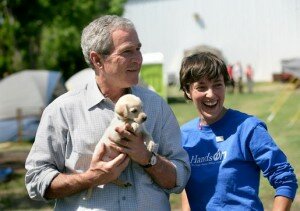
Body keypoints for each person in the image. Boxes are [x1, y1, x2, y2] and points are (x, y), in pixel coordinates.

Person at [25, 15, 190, 210]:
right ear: (97, 60)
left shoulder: (156, 106)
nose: (138, 59)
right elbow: (36, 181)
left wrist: (148, 158)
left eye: (138, 49)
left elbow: (179, 178)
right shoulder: (62, 110)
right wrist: (91, 178)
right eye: (127, 51)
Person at [179, 52, 298, 210]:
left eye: (217, 84)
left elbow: (285, 179)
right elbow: (185, 188)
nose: (211, 94)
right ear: (187, 91)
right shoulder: (183, 136)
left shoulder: (248, 128)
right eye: (201, 87)